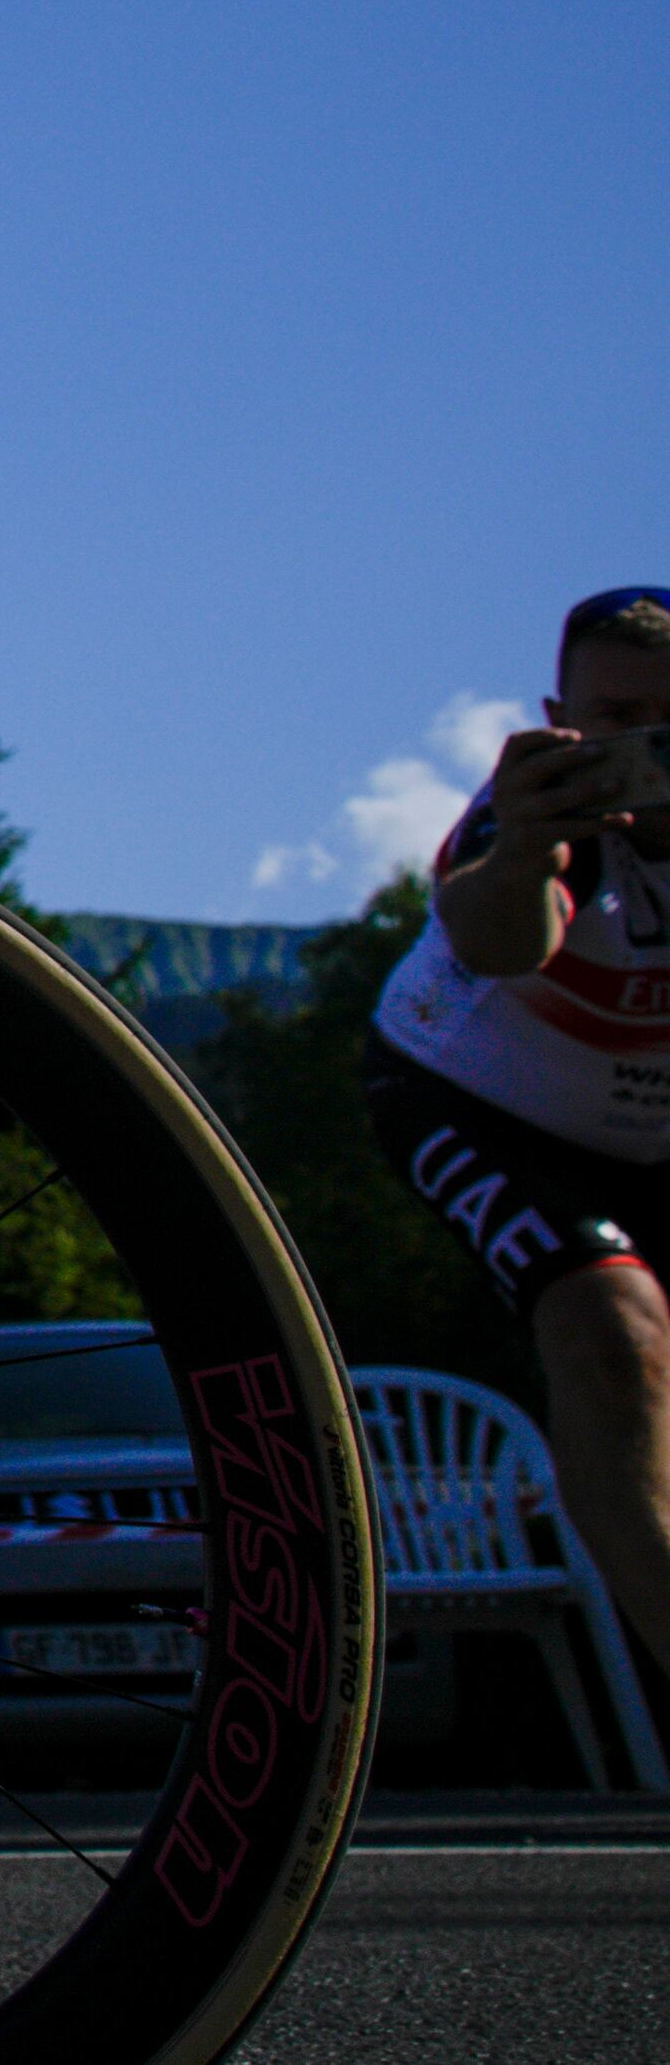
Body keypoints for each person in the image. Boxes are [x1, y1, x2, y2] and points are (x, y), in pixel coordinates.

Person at [366, 585, 670, 1684]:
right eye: (608, 719)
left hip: (644, 1122)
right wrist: (528, 850)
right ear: (556, 714)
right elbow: (499, 943)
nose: (633, 748)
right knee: (609, 1332)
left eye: (663, 723)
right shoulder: (538, 813)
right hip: (478, 1098)